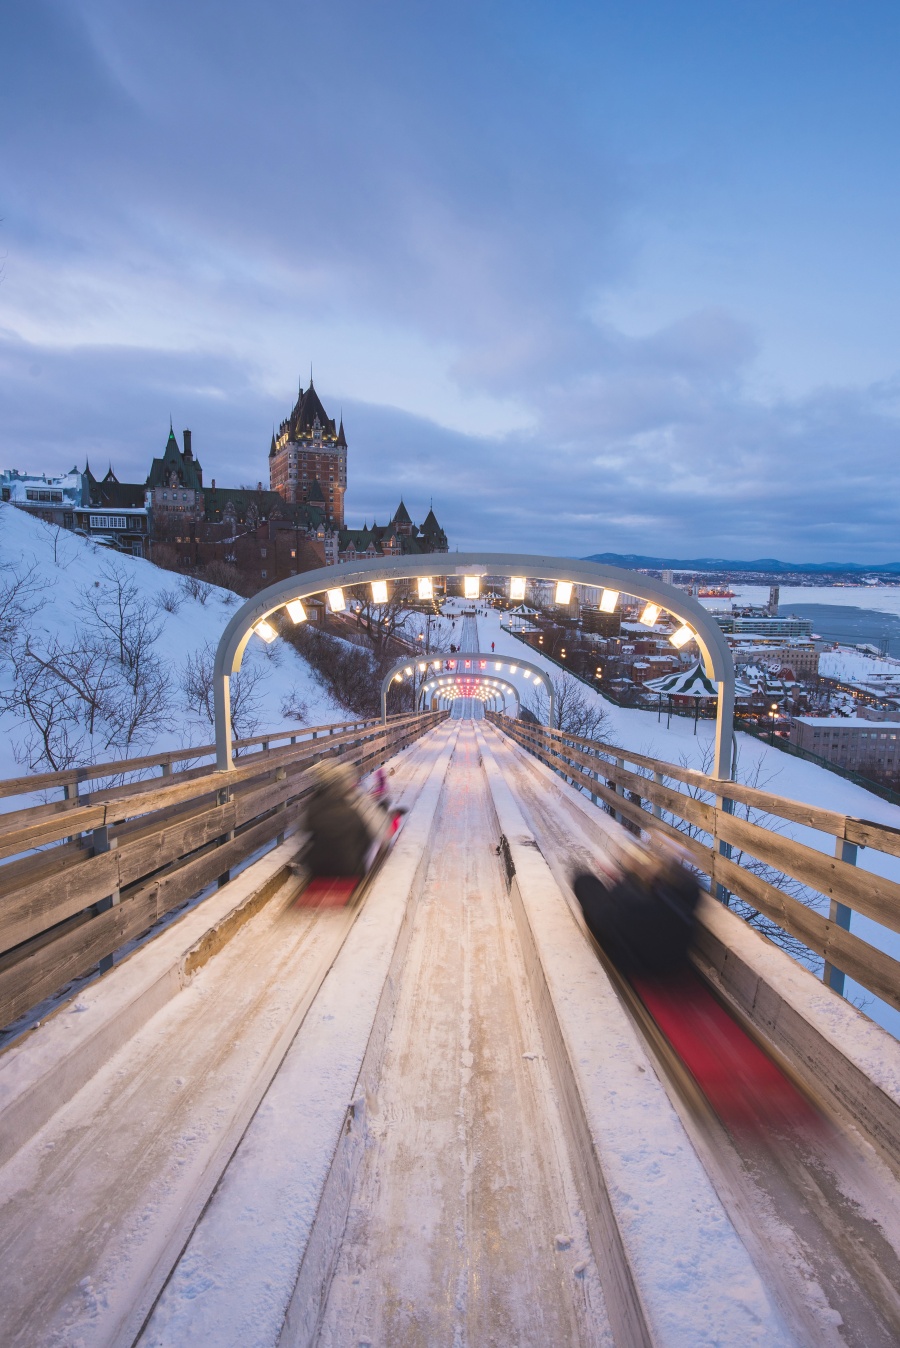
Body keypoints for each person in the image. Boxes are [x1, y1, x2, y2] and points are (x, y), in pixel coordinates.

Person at [572, 845, 699, 978]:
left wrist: (624, 884)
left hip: (642, 961)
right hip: (676, 959)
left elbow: (607, 916)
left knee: (585, 884)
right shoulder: (686, 904)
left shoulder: (636, 907)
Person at [304, 760, 381, 877]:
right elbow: (367, 839)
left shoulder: (314, 807)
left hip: (317, 868)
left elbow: (306, 828)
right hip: (349, 869)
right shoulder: (352, 812)